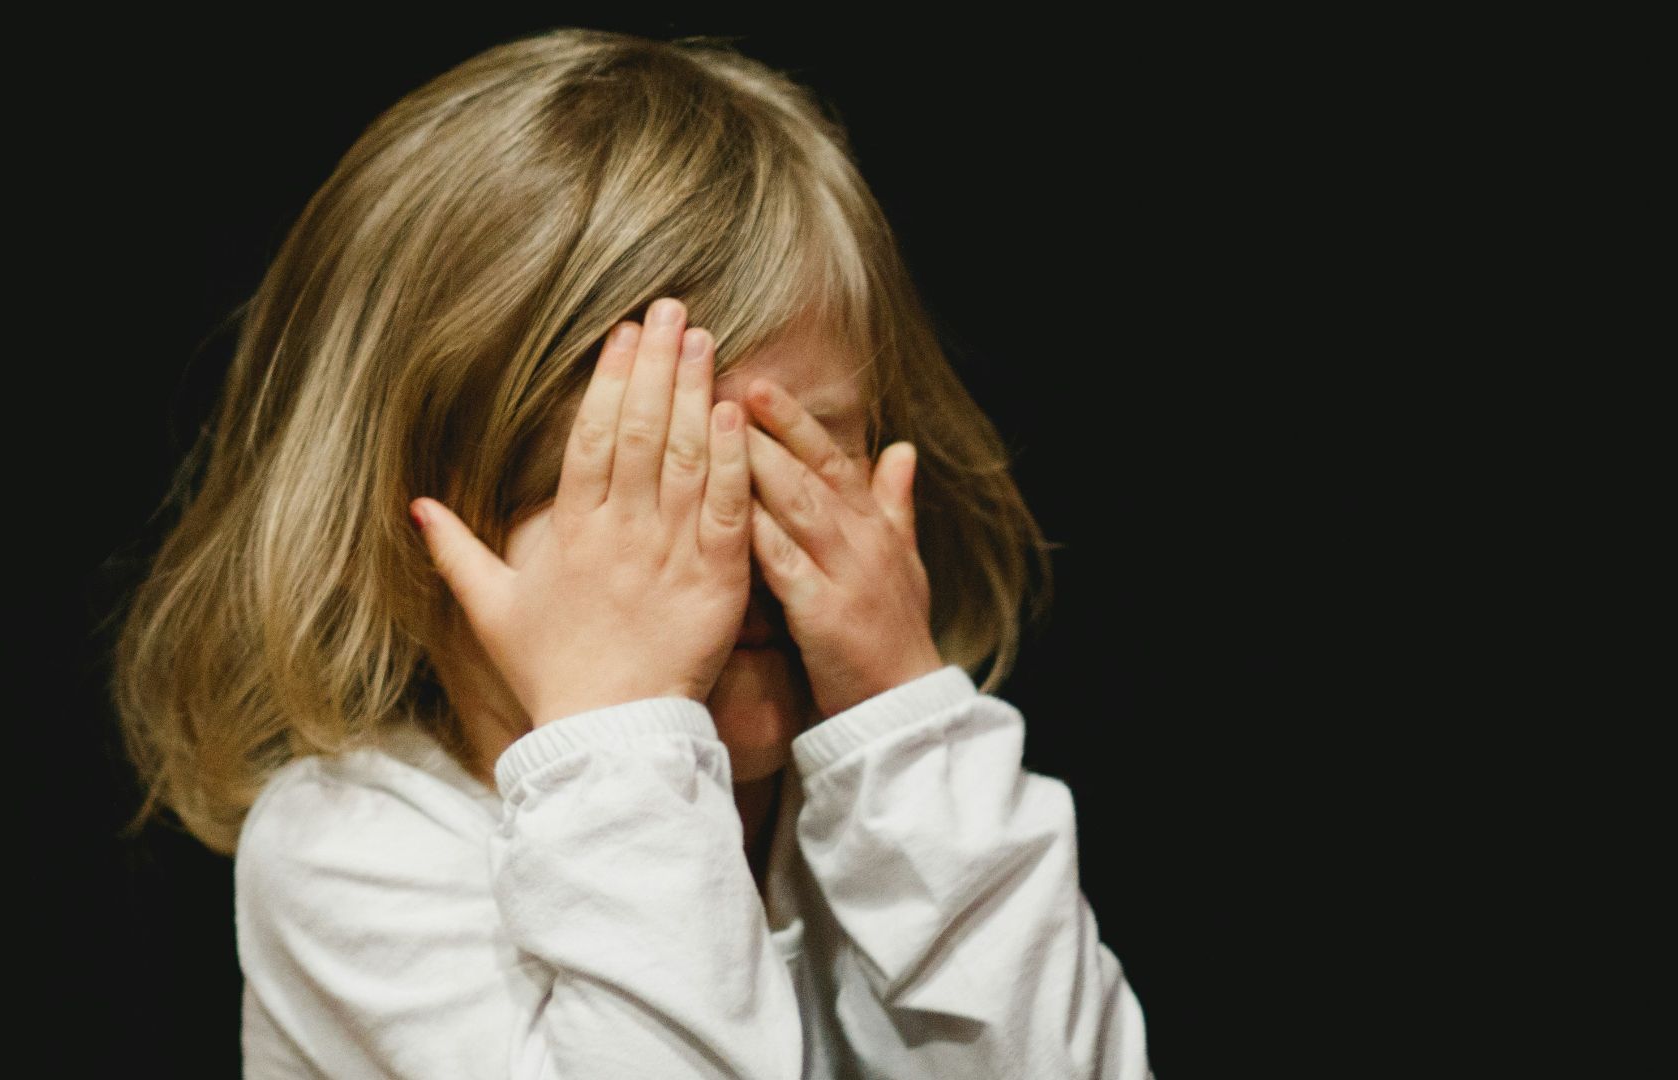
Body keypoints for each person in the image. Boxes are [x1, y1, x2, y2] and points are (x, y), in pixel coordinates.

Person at [109, 27, 1154, 1079]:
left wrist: (909, 732)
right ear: (417, 526)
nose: (729, 543)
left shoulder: (903, 813)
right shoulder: (351, 849)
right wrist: (621, 736)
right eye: (647, 484)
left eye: (798, 460)